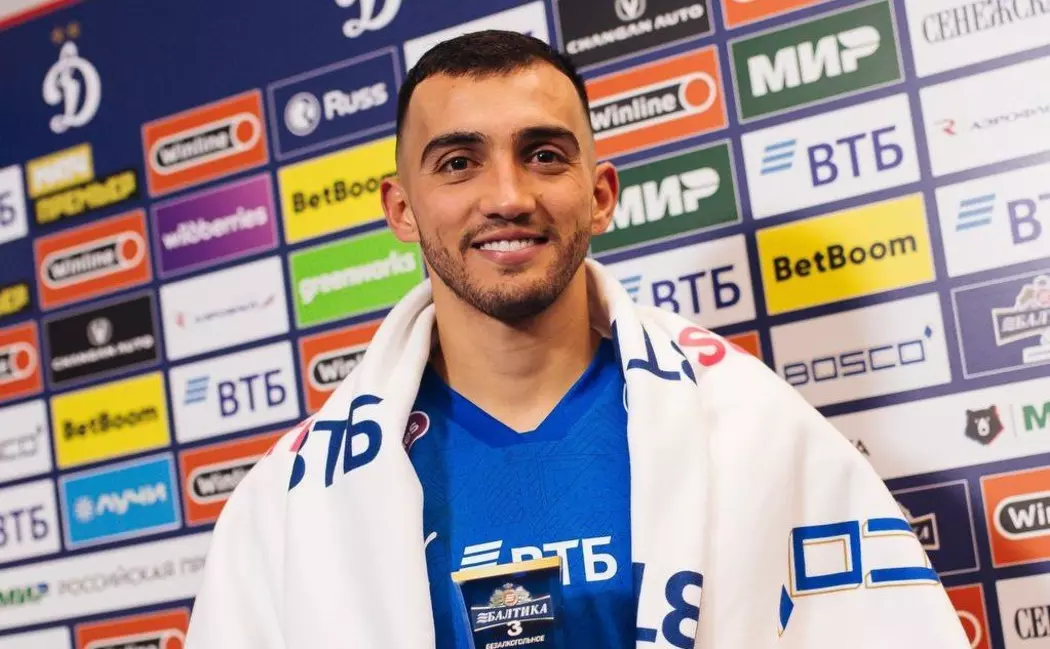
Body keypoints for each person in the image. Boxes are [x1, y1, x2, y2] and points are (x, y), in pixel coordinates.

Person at [184, 31, 970, 649]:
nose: (507, 195)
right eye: (458, 162)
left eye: (544, 155)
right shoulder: (288, 504)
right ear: (401, 209)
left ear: (599, 194)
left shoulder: (752, 429)